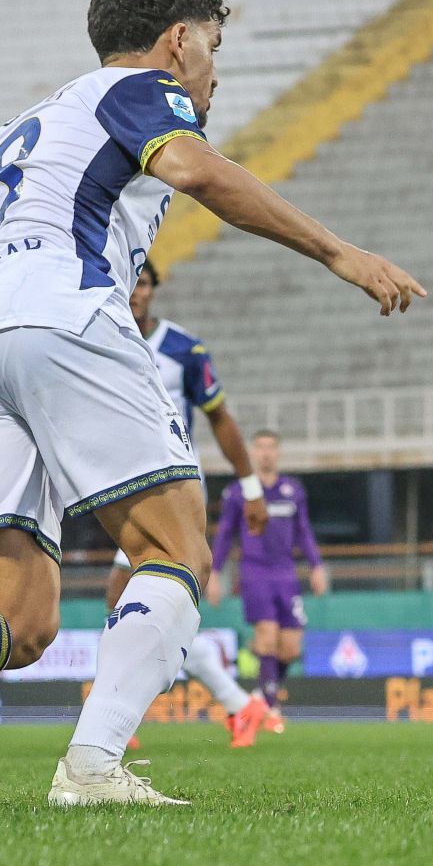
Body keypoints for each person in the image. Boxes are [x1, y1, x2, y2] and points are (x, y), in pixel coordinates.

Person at [0, 0, 422, 804]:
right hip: (58, 310)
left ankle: (94, 761)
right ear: (177, 40)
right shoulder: (141, 87)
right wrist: (339, 251)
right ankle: (93, 768)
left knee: (18, 620)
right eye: (213, 46)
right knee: (176, 549)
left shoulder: (19, 124)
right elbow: (199, 172)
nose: (215, 71)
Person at [99, 261, 272, 749]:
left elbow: (220, 418)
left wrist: (251, 488)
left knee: (128, 602)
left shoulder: (184, 349)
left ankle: (116, 718)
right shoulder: (99, 340)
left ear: (155, 290)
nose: (135, 292)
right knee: (139, 607)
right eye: (129, 282)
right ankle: (241, 706)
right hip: (121, 486)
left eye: (145, 282)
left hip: (170, 488)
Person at [207, 431, 328, 732]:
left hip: (286, 573)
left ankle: (261, 693)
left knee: (290, 647)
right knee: (268, 635)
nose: (265, 453)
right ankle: (271, 709)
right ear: (252, 452)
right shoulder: (239, 492)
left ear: (278, 452)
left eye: (271, 448)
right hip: (255, 571)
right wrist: (214, 571)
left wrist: (316, 566)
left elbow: (304, 530)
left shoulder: (292, 490)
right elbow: (224, 534)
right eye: (260, 448)